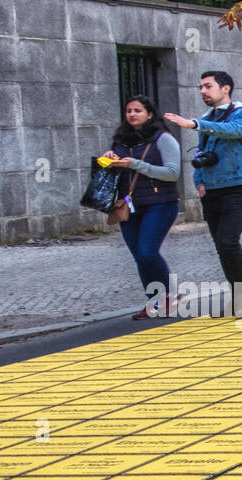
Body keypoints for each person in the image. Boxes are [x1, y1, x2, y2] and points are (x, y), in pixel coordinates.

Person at [163, 71, 242, 318]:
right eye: (200, 87)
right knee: (221, 246)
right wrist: (198, 180)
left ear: (225, 88)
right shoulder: (208, 119)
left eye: (208, 86)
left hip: (239, 187)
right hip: (212, 190)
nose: (203, 91)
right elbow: (201, 153)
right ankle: (238, 299)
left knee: (228, 241)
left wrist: (195, 124)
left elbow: (233, 131)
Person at [103, 95, 181, 320]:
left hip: (160, 204)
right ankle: (154, 302)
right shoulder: (121, 141)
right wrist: (109, 160)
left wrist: (135, 164)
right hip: (129, 206)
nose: (132, 115)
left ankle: (171, 295)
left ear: (149, 114)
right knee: (139, 255)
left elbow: (173, 173)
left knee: (148, 251)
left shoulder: (163, 139)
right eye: (129, 111)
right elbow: (117, 174)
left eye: (138, 110)